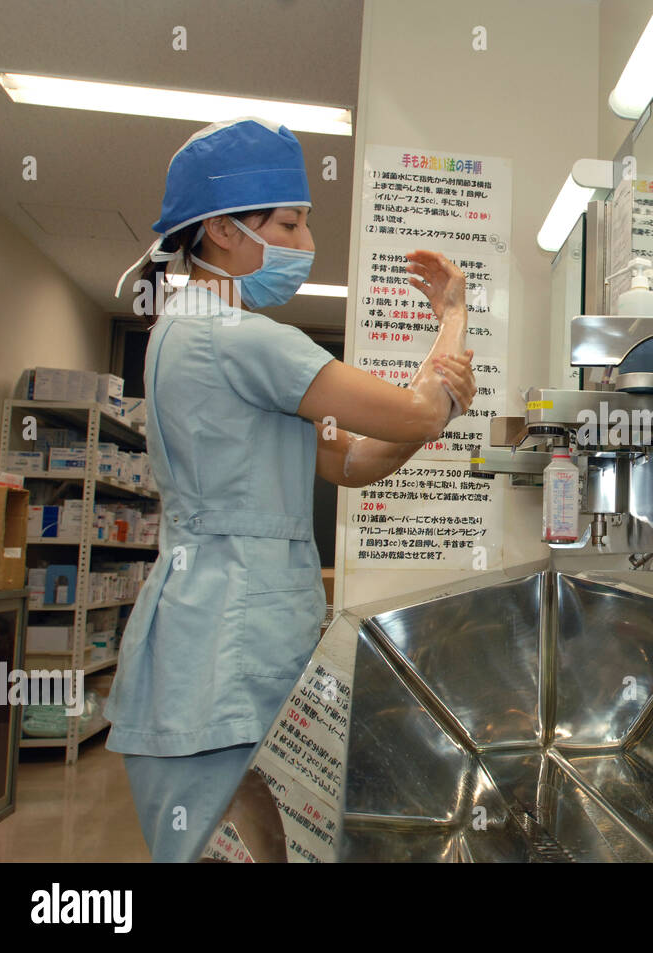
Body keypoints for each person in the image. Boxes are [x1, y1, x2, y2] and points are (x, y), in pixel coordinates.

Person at [103, 117, 477, 862]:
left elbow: (352, 462)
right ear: (220, 231)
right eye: (288, 222)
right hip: (227, 641)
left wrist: (433, 397)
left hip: (215, 635)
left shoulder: (194, 333)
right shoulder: (236, 338)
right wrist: (454, 319)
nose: (304, 242)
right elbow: (416, 410)